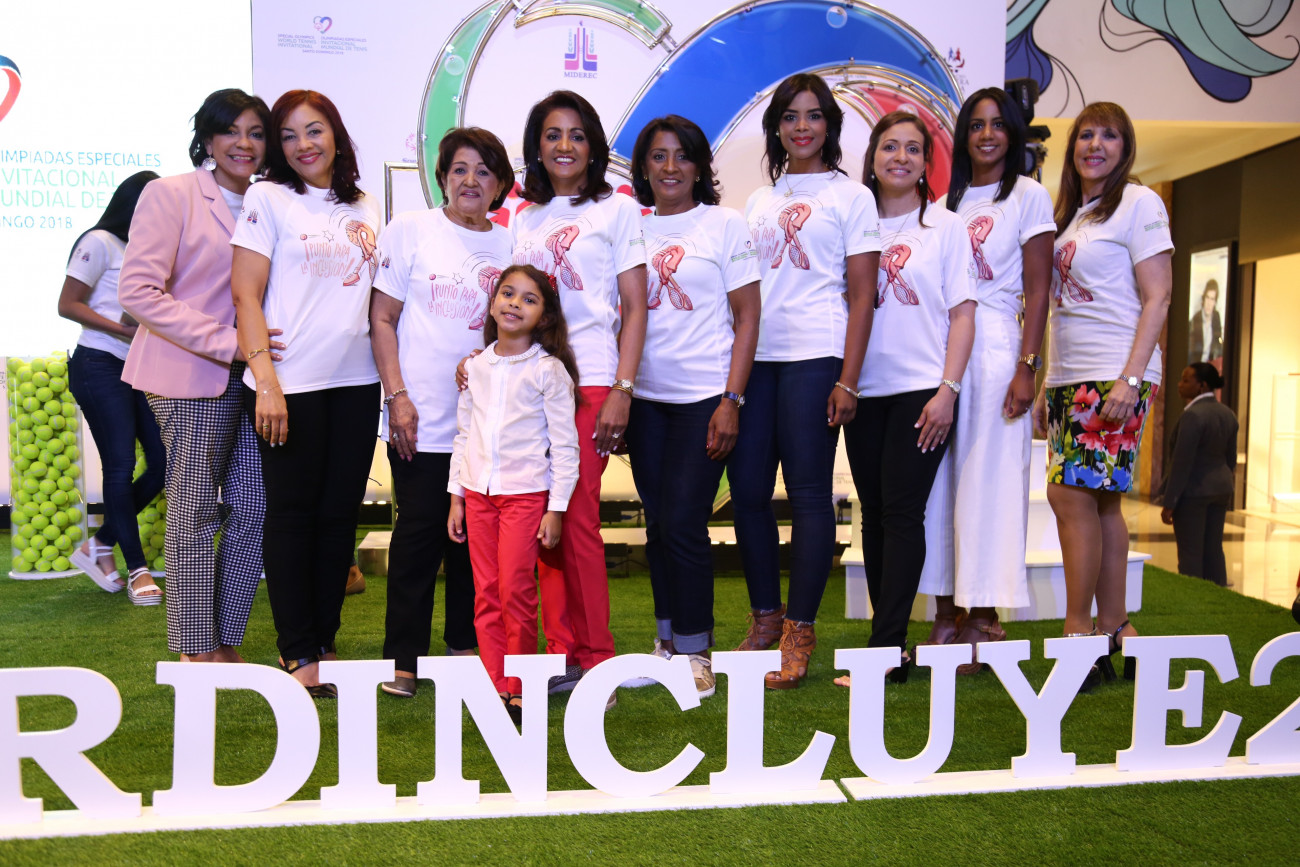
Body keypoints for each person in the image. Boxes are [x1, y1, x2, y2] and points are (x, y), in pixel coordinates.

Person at [730, 72, 880, 689]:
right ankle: (766, 616)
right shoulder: (758, 202)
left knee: (810, 495)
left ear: (830, 126)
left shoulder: (852, 198)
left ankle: (800, 629)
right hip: (756, 359)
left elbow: (864, 295)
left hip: (817, 353)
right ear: (776, 127)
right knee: (746, 492)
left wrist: (849, 379)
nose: (801, 127)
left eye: (813, 115)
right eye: (790, 116)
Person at [231, 90, 382, 698]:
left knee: (338, 517)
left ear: (336, 134)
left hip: (356, 382)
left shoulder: (365, 204)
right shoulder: (267, 198)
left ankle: (325, 638)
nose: (303, 145)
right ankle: (296, 648)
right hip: (289, 384)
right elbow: (245, 295)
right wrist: (265, 380)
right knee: (292, 516)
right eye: (288, 135)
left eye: (314, 130)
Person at [119, 88, 275, 661]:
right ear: (207, 138)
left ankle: (225, 639)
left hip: (258, 378)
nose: (243, 143)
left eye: (256, 132)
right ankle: (193, 646)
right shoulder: (171, 194)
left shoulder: (270, 201)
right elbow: (137, 292)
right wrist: (230, 344)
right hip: (190, 374)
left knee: (254, 507)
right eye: (230, 130)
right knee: (194, 510)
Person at [511, 90, 648, 693]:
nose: (564, 145)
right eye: (552, 135)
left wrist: (623, 387)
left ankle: (597, 662)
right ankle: (560, 656)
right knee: (543, 523)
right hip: (527, 384)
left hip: (590, 379)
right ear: (536, 147)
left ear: (593, 146)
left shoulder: (617, 209)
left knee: (578, 521)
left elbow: (636, 307)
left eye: (576, 134)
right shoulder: (522, 216)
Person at [370, 127, 514, 698]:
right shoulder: (410, 230)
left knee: (473, 542)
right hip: (420, 415)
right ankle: (403, 659)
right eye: (459, 169)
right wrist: (397, 396)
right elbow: (382, 319)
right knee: (418, 535)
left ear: (500, 183)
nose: (470, 180)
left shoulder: (512, 245)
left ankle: (463, 648)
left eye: (483, 170)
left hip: (487, 421)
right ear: (442, 178)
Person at [1032, 101, 1173, 689]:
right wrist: (1043, 384)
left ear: (1126, 147)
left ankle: (1078, 633)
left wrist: (1130, 379)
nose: (1095, 145)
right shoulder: (1071, 215)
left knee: (1068, 495)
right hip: (1070, 377)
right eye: (1086, 134)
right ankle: (1116, 628)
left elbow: (1159, 296)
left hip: (1113, 373)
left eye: (1109, 135)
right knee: (1102, 502)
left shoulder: (1140, 203)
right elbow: (1056, 308)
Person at [835, 110, 977, 687]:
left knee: (901, 513)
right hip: (861, 389)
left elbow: (963, 315)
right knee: (873, 515)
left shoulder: (945, 227)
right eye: (889, 146)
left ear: (926, 162)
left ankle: (886, 649)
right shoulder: (854, 222)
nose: (900, 157)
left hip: (922, 391)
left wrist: (948, 390)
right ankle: (886, 641)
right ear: (872, 157)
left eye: (912, 148)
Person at [915, 88, 1055, 671]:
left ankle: (982, 617)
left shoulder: (1028, 195)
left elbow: (1040, 289)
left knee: (988, 484)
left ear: (1014, 132)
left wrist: (1028, 366)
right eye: (976, 125)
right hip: (943, 349)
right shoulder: (944, 202)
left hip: (997, 347)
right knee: (939, 487)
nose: (988, 134)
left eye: (998, 124)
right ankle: (944, 612)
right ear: (963, 136)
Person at [622, 115, 760, 698]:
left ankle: (697, 650)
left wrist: (732, 399)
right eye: (658, 156)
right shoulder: (630, 227)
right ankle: (666, 642)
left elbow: (748, 317)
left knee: (683, 522)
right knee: (658, 525)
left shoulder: (725, 224)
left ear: (701, 165)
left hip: (704, 397)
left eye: (682, 155)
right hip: (644, 399)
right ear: (643, 167)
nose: (671, 167)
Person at [448, 264, 581, 725]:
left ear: (545, 317)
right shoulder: (475, 367)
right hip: (477, 495)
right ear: (492, 304)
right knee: (485, 592)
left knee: (516, 592)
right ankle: (495, 683)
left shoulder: (549, 370)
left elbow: (565, 446)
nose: (515, 304)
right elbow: (464, 434)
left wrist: (556, 509)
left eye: (529, 299)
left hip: (525, 498)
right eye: (508, 294)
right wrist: (456, 497)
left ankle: (521, 685)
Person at [61, 170, 164, 603]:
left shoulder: (151, 251)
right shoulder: (100, 241)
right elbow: (67, 304)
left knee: (164, 462)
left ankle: (99, 543)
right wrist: (121, 330)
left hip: (137, 366)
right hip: (98, 362)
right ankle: (138, 570)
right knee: (119, 466)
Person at [1161, 363, 1237, 586]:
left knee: (1190, 553)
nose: (1179, 384)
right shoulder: (1228, 414)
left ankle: (1191, 596)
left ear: (1201, 386)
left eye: (1186, 380)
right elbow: (1230, 459)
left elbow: (1181, 463)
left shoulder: (1192, 415)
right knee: (1214, 549)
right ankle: (1217, 594)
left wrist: (1170, 502)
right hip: (1221, 490)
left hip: (1193, 493)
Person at [1187, 279, 1223, 365]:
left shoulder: (1216, 317)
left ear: (1215, 302)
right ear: (1203, 298)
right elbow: (1191, 352)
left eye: (1212, 299)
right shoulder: (1195, 320)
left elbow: (1218, 343)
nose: (1209, 303)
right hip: (1197, 366)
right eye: (1207, 297)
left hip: (1210, 366)